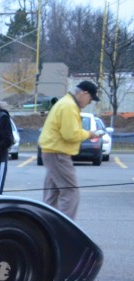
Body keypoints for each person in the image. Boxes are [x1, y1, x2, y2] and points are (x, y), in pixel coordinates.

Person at [38, 80, 103, 220]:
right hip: (58, 154)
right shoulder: (69, 106)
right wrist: (90, 134)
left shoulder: (65, 103)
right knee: (70, 192)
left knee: (52, 194)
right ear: (84, 93)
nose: (89, 102)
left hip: (51, 152)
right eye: (90, 99)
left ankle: (47, 225)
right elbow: (70, 135)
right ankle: (65, 229)